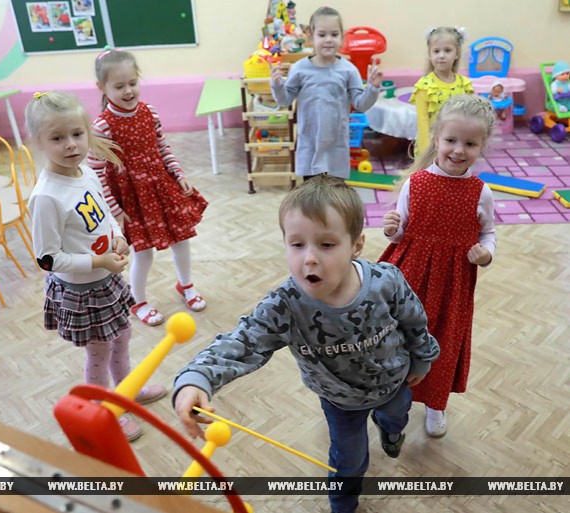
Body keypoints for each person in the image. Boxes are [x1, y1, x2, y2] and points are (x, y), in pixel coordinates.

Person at [173, 175, 439, 513]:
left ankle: (390, 431)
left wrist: (422, 359)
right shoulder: (286, 304)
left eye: (326, 245)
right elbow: (244, 341)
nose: (309, 259)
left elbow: (415, 320)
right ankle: (344, 505)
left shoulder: (386, 281)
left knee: (395, 416)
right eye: (297, 245)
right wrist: (197, 378)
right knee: (348, 462)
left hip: (396, 383)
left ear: (356, 244)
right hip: (340, 402)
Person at [25, 91, 166, 442]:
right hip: (82, 290)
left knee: (123, 337)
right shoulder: (47, 197)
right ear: (39, 142)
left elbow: (104, 215)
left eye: (77, 134)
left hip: (107, 280)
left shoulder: (84, 171)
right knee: (99, 355)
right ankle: (105, 411)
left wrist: (118, 238)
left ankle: (126, 389)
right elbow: (47, 258)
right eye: (57, 138)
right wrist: (98, 261)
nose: (71, 145)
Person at [379, 94, 497, 438]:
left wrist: (485, 255)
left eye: (470, 143)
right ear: (436, 139)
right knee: (397, 337)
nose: (459, 150)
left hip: (453, 283)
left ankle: (436, 404)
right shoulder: (416, 183)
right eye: (451, 140)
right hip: (409, 277)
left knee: (442, 341)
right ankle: (391, 401)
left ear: (482, 145)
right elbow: (400, 234)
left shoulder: (480, 192)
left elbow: (488, 232)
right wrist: (392, 229)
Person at [88, 47, 208, 327]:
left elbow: (162, 147)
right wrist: (114, 209)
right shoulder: (102, 126)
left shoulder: (149, 112)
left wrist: (178, 173)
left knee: (181, 240)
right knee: (143, 253)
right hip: (131, 200)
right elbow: (97, 175)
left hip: (161, 189)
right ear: (101, 87)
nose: (128, 91)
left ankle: (186, 285)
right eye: (119, 86)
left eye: (132, 83)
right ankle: (137, 300)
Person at [269, 6, 383, 180]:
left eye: (334, 34)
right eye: (322, 35)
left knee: (335, 199)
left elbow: (361, 104)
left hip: (336, 147)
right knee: (313, 199)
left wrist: (373, 88)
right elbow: (285, 100)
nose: (328, 40)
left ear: (342, 38)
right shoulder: (299, 69)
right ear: (310, 38)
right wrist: (277, 85)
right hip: (310, 146)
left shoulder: (348, 70)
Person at [411, 26, 474, 156]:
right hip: (432, 149)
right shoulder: (424, 87)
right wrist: (426, 152)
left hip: (458, 148)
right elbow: (422, 122)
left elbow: (471, 117)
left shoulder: (464, 84)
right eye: (436, 51)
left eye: (447, 50)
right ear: (430, 54)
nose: (441, 56)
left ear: (457, 53)